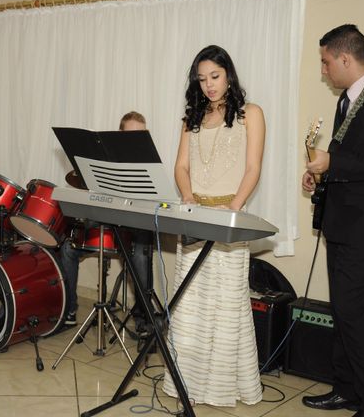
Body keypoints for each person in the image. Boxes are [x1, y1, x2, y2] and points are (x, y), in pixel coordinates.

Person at [163, 45, 265, 407]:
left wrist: (233, 211)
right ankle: (185, 383)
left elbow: (253, 168)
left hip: (229, 219)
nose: (209, 85)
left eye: (215, 76)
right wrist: (188, 197)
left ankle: (221, 386)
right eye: (202, 79)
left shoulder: (250, 113)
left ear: (229, 74)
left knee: (226, 304)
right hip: (195, 217)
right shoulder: (190, 119)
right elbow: (180, 166)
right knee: (189, 302)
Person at [301, 24, 364, 417]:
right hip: (341, 223)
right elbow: (350, 159)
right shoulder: (346, 101)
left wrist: (333, 162)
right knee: (342, 306)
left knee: (354, 308)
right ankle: (347, 388)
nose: (323, 71)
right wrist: (322, 171)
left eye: (325, 62)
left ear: (344, 58)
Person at [58, 111, 154, 338]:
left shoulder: (150, 167)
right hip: (105, 221)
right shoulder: (103, 159)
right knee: (67, 247)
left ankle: (144, 319)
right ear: (118, 135)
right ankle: (69, 310)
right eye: (129, 135)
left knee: (141, 252)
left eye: (140, 136)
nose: (134, 142)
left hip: (132, 226)